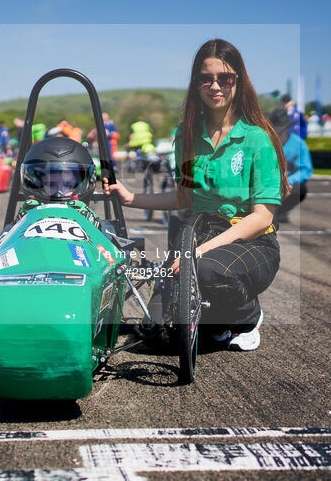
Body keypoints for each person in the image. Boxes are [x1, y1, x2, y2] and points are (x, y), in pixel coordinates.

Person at [104, 38, 290, 351]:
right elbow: (185, 198)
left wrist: (197, 254)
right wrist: (130, 198)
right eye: (206, 78)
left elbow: (261, 217)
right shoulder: (187, 134)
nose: (215, 85)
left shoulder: (258, 138)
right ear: (196, 83)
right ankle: (216, 316)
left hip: (251, 241)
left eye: (225, 78)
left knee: (207, 270)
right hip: (199, 233)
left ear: (238, 81)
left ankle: (247, 317)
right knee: (160, 330)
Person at [21, 136, 96, 202]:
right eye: (51, 185)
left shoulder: (90, 217)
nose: (59, 194)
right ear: (39, 188)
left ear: (79, 187)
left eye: (68, 186)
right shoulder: (27, 217)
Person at [270, 109, 312, 223]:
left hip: (287, 184)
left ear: (286, 129)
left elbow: (305, 170)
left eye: (279, 131)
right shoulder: (264, 142)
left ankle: (281, 211)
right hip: (267, 183)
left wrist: (288, 181)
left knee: (300, 189)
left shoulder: (299, 144)